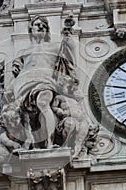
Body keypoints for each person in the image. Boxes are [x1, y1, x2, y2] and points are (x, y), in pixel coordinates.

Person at [10, 16, 77, 149]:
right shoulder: (23, 52)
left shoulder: (54, 47)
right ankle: (31, 144)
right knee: (26, 115)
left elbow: (69, 53)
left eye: (44, 25)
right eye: (37, 24)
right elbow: (16, 73)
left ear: (47, 31)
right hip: (24, 84)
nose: (40, 26)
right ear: (31, 29)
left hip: (45, 81)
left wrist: (67, 33)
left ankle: (49, 143)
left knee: (43, 103)